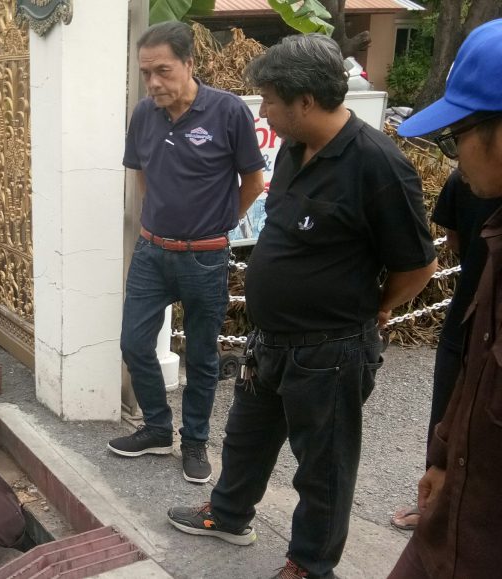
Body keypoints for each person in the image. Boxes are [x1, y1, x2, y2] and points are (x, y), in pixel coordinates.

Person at [166, 34, 436, 579]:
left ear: (305, 100)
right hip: (270, 341)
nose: (263, 111)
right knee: (246, 437)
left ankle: (311, 565)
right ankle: (229, 514)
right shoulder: (294, 149)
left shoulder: (377, 165)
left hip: (329, 351)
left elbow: (418, 266)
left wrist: (378, 308)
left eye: (269, 100)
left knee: (323, 468)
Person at [108, 21, 266, 484]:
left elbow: (253, 182)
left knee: (201, 356)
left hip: (205, 257)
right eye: (146, 73)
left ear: (189, 64)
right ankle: (158, 429)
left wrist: (220, 224)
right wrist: (155, 219)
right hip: (151, 253)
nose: (153, 82)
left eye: (163, 70)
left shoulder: (228, 111)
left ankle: (195, 440)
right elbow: (141, 172)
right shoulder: (143, 115)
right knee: (134, 343)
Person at [387, 18, 502, 579]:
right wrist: (443, 461)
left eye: (457, 137)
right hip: (455, 524)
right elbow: (478, 373)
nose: (455, 159)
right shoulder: (496, 237)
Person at [390, 170, 502, 531]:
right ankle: (436, 505)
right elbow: (454, 239)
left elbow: (455, 242)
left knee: (454, 411)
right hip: (465, 318)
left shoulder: (463, 177)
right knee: (447, 413)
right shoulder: (464, 178)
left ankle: (448, 511)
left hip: (468, 312)